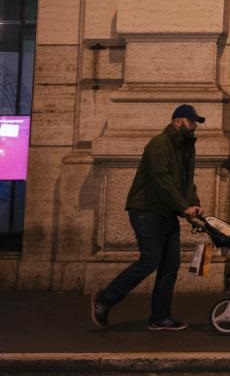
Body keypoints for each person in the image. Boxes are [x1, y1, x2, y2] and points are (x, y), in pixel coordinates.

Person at [90, 104, 205, 331]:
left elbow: (187, 181)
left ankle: (160, 317)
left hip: (166, 211)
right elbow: (161, 180)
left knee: (170, 265)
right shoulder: (159, 143)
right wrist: (184, 207)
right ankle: (104, 299)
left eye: (195, 123)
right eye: (191, 122)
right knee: (150, 260)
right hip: (146, 210)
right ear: (177, 122)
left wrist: (194, 205)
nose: (194, 126)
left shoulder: (185, 147)